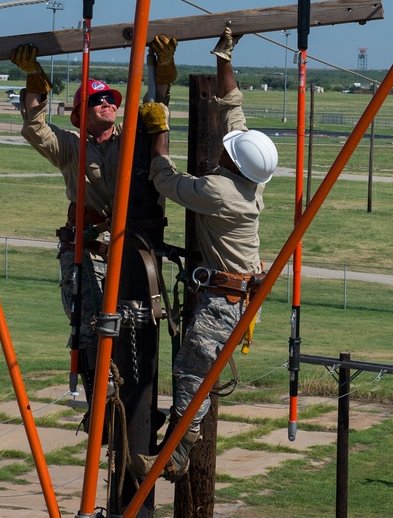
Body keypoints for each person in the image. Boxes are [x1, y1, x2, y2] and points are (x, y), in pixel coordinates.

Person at [135, 27, 278, 481]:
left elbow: (163, 177)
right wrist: (224, 58)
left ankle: (175, 456)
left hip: (223, 300)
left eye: (228, 150)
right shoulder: (247, 177)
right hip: (229, 291)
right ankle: (173, 439)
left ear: (234, 162)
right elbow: (232, 109)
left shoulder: (219, 190)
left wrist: (159, 128)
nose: (224, 143)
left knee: (191, 373)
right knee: (191, 369)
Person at [10, 34, 179, 409]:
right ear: (79, 114)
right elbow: (37, 128)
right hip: (89, 252)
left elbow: (157, 112)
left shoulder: (132, 137)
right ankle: (99, 402)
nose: (106, 103)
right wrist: (34, 84)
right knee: (89, 330)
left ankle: (136, 405)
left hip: (134, 247)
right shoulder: (73, 147)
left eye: (110, 100)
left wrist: (163, 71)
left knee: (136, 324)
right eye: (96, 100)